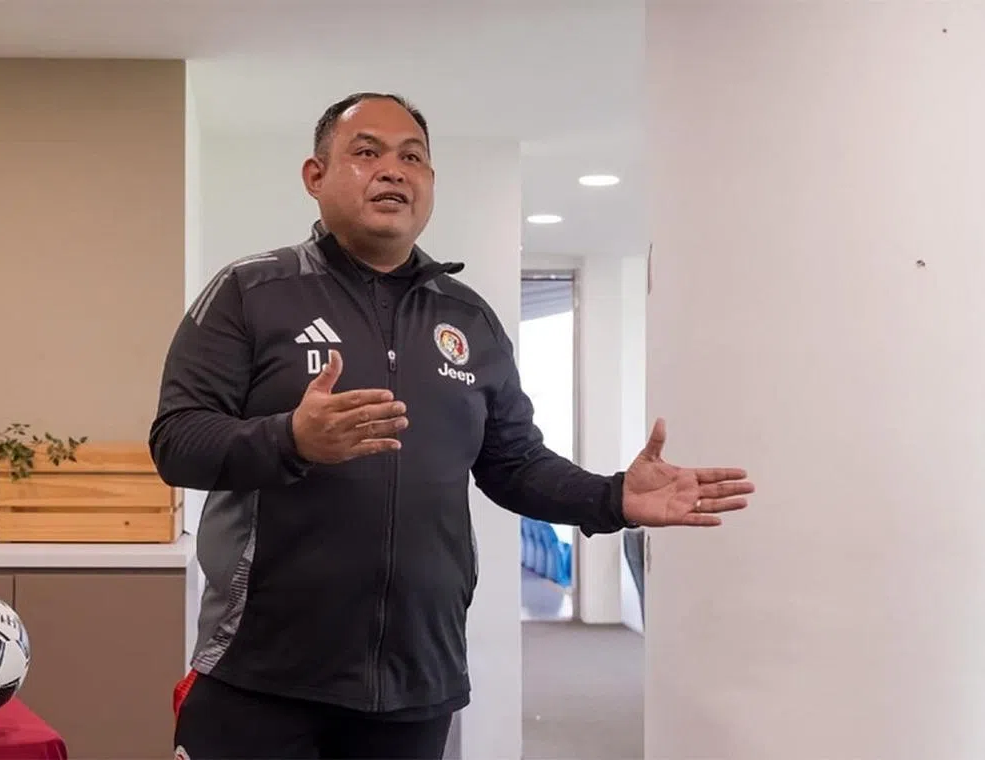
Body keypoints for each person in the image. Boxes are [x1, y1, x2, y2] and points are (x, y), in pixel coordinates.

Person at [150, 92, 754, 760]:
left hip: (416, 680)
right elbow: (178, 441)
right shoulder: (250, 292)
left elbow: (514, 464)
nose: (393, 169)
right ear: (315, 176)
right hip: (259, 676)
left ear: (430, 182)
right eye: (367, 152)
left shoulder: (469, 319)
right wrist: (290, 440)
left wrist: (613, 497)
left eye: (413, 157)